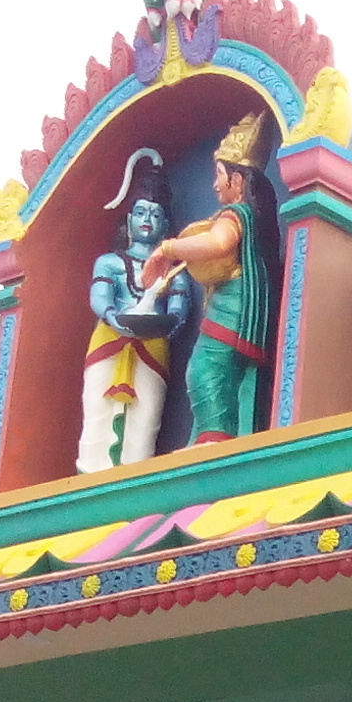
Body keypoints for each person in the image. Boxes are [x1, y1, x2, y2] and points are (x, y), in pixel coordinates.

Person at [134, 115, 276, 443]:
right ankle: (213, 437)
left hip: (231, 307)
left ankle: (214, 441)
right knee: (214, 372)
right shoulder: (254, 218)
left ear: (238, 181)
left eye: (219, 175)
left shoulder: (235, 215)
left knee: (205, 370)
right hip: (238, 305)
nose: (215, 184)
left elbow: (218, 244)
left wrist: (167, 249)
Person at [80, 149, 183, 472]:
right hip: (109, 339)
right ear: (129, 219)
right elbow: (100, 296)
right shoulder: (109, 262)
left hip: (152, 345)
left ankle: (134, 475)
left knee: (146, 416)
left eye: (154, 214)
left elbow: (179, 308)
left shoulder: (172, 268)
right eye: (140, 213)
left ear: (165, 222)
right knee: (99, 411)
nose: (147, 221)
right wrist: (114, 317)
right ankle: (91, 475)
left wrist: (169, 323)